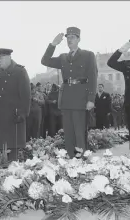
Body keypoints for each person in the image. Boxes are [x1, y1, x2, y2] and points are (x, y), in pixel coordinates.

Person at [41, 27, 97, 158]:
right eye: (68, 37)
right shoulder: (63, 57)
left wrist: (91, 99)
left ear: (79, 39)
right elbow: (44, 61)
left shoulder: (88, 55)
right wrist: (53, 44)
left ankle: (82, 161)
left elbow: (93, 77)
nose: (69, 40)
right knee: (68, 133)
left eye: (73, 37)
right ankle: (71, 160)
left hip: (81, 98)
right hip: (66, 99)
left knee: (79, 132)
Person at [0, 48, 31, 163]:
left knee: (12, 149)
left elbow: (26, 95)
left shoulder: (19, 71)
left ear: (9, 57)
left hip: (12, 115)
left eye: (1, 57)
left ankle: (12, 175)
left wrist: (23, 113)